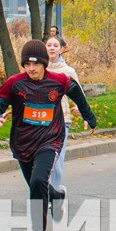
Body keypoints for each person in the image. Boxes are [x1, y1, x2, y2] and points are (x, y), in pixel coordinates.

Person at [0, 40, 97, 231]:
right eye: (27, 64)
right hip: (23, 143)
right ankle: (56, 196)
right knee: (37, 186)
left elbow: (77, 94)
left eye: (35, 64)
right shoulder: (15, 83)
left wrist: (88, 117)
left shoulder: (59, 81)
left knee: (38, 181)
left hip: (50, 139)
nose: (31, 69)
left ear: (44, 64)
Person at [46, 34, 80, 197]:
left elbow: (78, 93)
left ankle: (54, 189)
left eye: (55, 45)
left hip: (62, 119)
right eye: (49, 45)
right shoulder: (38, 69)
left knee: (57, 157)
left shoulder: (68, 71)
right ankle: (47, 190)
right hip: (41, 120)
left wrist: (80, 108)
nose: (52, 48)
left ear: (61, 49)